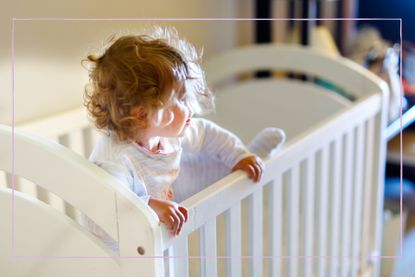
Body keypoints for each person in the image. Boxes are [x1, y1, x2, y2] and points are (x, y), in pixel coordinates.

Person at [83, 27, 284, 239]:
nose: (188, 106)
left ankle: (245, 161)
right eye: (176, 100)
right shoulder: (115, 161)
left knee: (202, 161)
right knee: (190, 172)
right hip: (125, 246)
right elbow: (108, 208)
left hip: (169, 199)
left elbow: (207, 134)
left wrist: (239, 155)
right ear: (142, 115)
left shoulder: (164, 133)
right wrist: (150, 206)